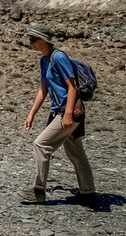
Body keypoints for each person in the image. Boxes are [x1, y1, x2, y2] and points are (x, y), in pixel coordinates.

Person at [21, 22, 96, 204]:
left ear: (44, 40)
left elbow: (72, 87)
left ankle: (38, 190)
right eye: (29, 39)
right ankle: (88, 192)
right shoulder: (44, 60)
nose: (30, 43)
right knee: (76, 153)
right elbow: (43, 89)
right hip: (61, 111)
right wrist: (32, 113)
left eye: (33, 39)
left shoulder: (59, 57)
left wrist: (68, 113)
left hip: (69, 111)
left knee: (41, 145)